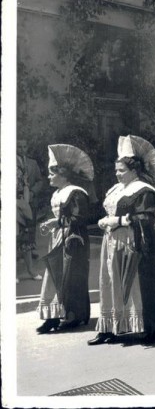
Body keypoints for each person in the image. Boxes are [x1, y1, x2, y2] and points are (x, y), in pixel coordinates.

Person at [89, 135, 155, 345]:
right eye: (116, 170)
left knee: (132, 282)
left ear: (134, 170)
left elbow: (146, 218)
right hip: (111, 241)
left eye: (121, 170)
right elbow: (109, 211)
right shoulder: (116, 190)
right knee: (110, 281)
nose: (117, 174)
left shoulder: (144, 191)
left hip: (133, 243)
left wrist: (119, 220)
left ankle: (146, 326)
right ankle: (110, 327)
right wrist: (105, 221)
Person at [36, 144, 93, 333]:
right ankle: (53, 315)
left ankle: (73, 315)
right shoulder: (58, 193)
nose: (49, 177)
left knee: (70, 276)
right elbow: (64, 216)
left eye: (52, 174)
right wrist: (55, 222)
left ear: (63, 175)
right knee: (54, 274)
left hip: (73, 238)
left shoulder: (75, 192)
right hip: (59, 237)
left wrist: (57, 223)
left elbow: (80, 218)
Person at [17, 139, 44, 281]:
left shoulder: (32, 163)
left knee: (28, 232)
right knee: (16, 235)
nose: (22, 149)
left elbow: (38, 181)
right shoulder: (11, 162)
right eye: (19, 146)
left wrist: (31, 193)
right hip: (15, 203)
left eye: (24, 146)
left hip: (28, 202)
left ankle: (31, 268)